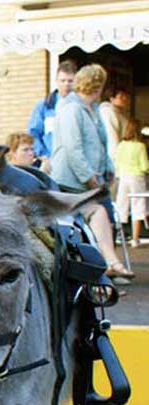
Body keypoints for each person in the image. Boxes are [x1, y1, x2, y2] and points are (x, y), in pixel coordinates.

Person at [51, 63, 133, 281]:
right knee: (97, 214)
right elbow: (72, 149)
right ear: (96, 86)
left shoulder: (94, 110)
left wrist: (108, 169)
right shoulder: (71, 109)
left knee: (107, 218)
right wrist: (89, 178)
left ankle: (109, 268)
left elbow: (100, 144)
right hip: (72, 182)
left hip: (93, 180)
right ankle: (106, 268)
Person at [28, 60, 77, 163]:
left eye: (70, 81)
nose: (66, 84)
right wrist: (44, 155)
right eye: (62, 81)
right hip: (51, 163)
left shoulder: (81, 107)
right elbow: (33, 134)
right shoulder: (44, 106)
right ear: (56, 81)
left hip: (75, 163)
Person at [114, 117, 149, 248]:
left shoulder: (121, 145)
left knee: (121, 206)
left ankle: (119, 236)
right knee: (138, 206)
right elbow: (145, 166)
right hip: (137, 178)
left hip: (123, 177)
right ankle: (135, 239)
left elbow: (116, 161)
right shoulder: (140, 146)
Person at [99, 87, 129, 163]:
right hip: (111, 157)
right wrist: (116, 159)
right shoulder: (107, 112)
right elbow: (111, 137)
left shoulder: (120, 114)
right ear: (111, 98)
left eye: (126, 96)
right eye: (121, 96)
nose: (125, 99)